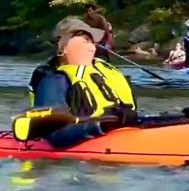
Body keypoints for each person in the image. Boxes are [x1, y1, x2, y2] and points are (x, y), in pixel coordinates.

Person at [26, 16, 137, 148]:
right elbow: (54, 135)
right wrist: (99, 125)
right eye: (86, 41)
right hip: (84, 144)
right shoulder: (53, 81)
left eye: (93, 42)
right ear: (63, 48)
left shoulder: (106, 73)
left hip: (121, 135)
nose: (93, 48)